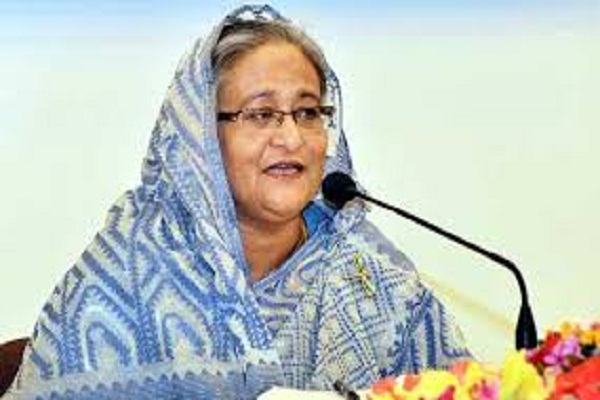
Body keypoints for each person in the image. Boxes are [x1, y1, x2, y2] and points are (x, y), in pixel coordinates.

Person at [5, 5, 471, 399]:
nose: (291, 137)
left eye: (308, 112)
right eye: (262, 114)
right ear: (203, 140)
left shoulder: (375, 282)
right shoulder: (122, 281)